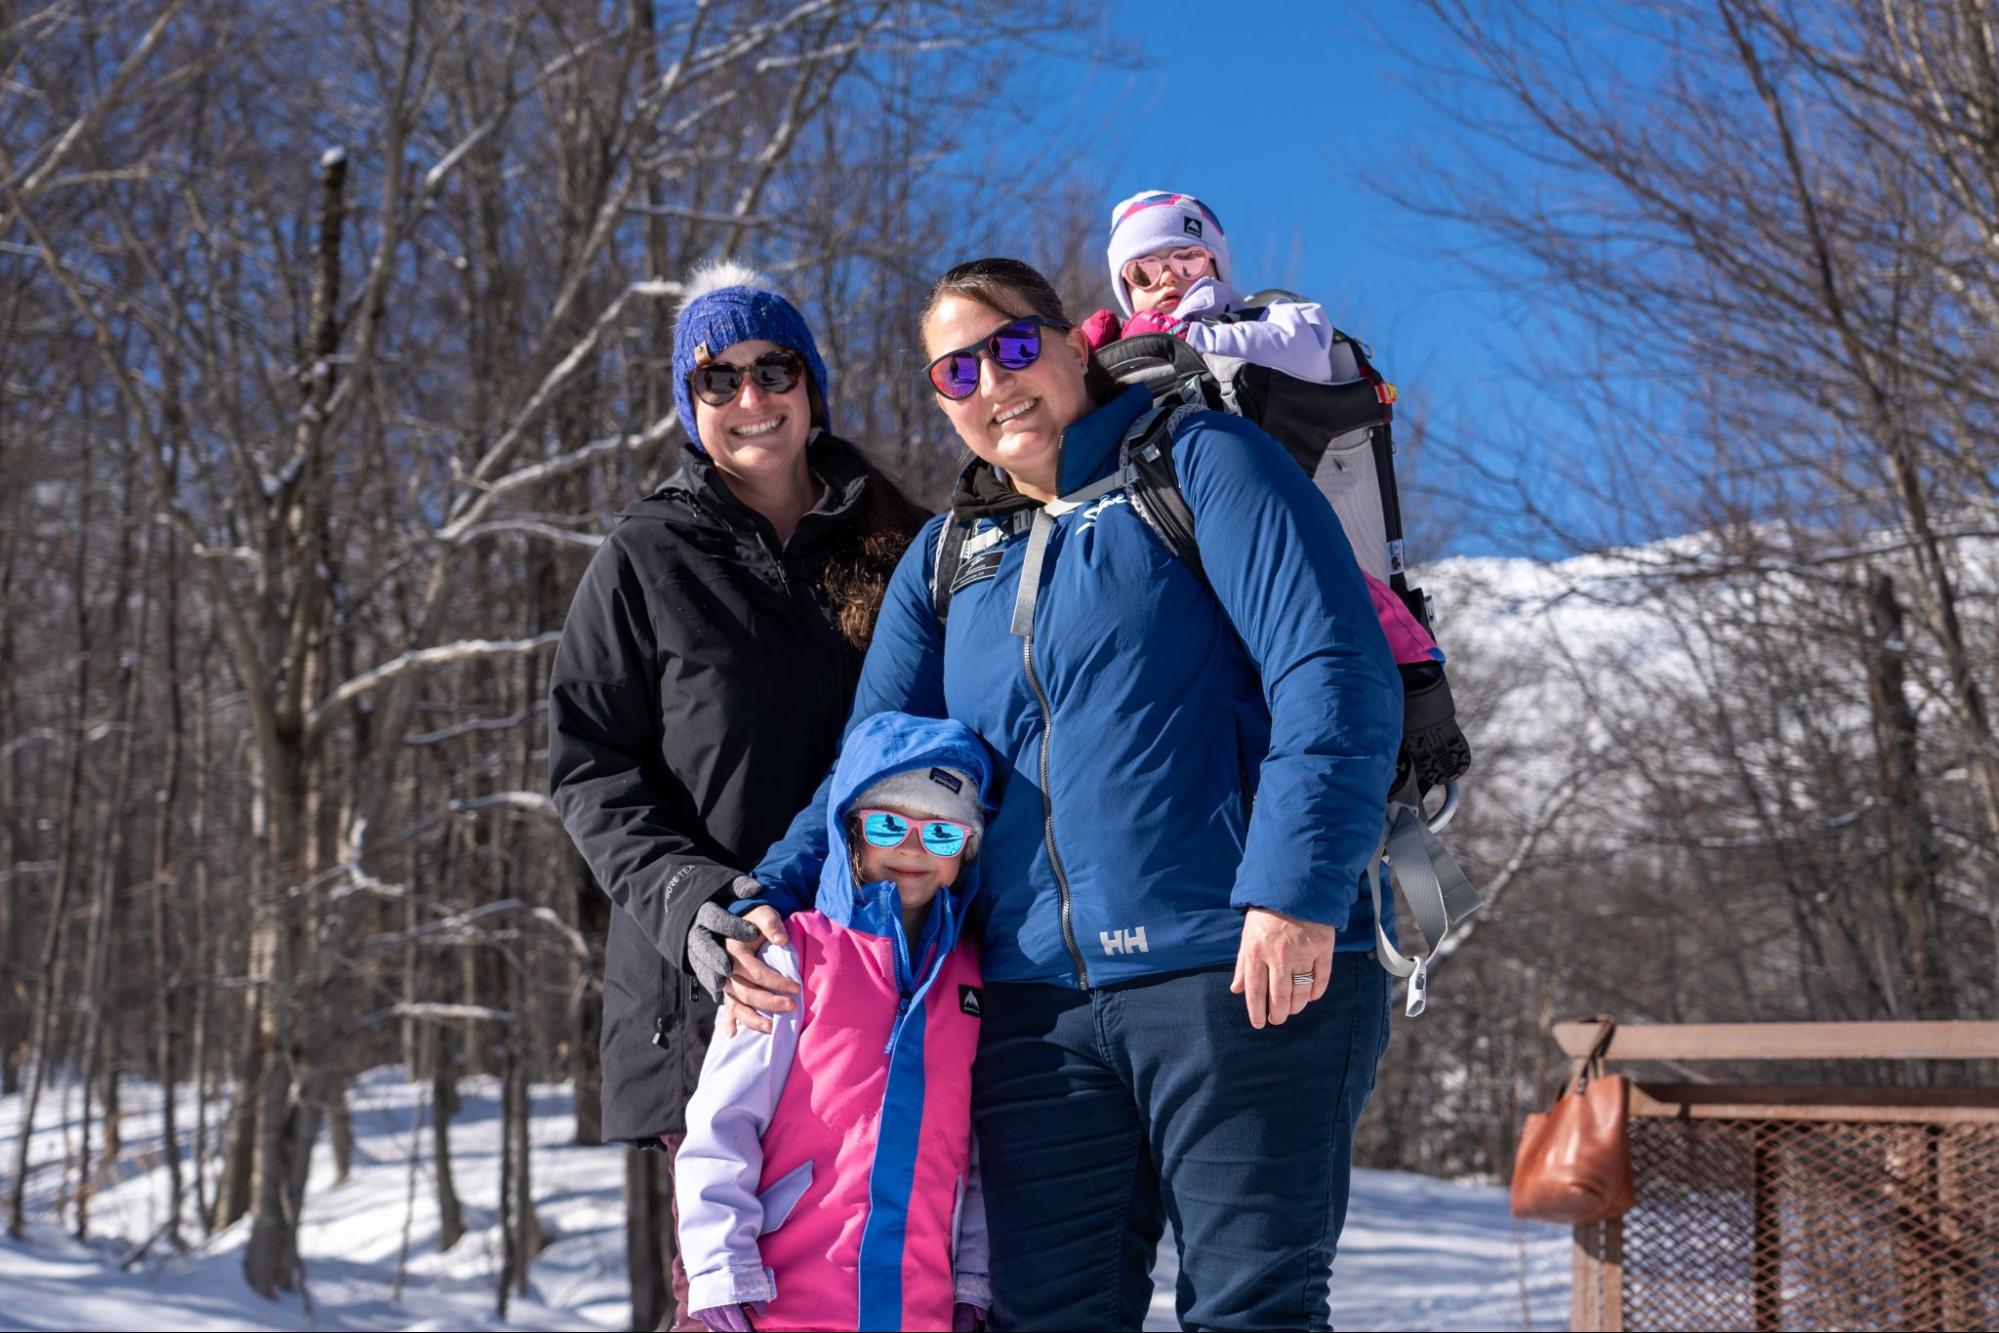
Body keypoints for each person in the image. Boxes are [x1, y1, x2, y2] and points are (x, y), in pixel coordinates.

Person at [724, 257, 1403, 1331]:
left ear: (1072, 342)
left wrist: (1296, 889)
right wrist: (764, 892)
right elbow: (872, 763)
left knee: (1251, 1309)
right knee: (1046, 1316)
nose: (991, 384)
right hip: (1036, 1005)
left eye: (1009, 346)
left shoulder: (1199, 463)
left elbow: (1330, 667)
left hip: (1236, 963)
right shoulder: (949, 557)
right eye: (956, 371)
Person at [548, 260, 927, 1330]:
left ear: (812, 389)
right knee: (730, 1307)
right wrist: (695, 907)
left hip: (884, 989)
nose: (750, 400)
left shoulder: (901, 545)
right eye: (719, 380)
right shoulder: (644, 557)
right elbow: (590, 768)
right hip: (720, 997)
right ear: (689, 402)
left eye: (774, 371)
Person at [675, 711, 995, 1333]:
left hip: (916, 1302)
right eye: (888, 825)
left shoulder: (970, 979)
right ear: (850, 831)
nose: (912, 850)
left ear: (966, 851)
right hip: (789, 1297)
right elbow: (724, 1120)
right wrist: (718, 1267)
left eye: (943, 835)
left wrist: (973, 1275)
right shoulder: (790, 956)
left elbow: (975, 1151)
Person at [1082, 188, 1443, 669]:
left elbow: (1307, 347)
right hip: (1175, 542)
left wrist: (1182, 336)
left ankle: (1410, 692)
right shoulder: (1126, 357)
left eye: (1187, 260)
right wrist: (1079, 370)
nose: (1168, 277)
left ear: (1215, 267)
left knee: (1344, 607)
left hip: (1287, 517)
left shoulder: (1262, 318)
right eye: (1144, 271)